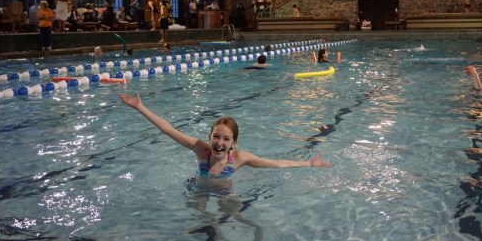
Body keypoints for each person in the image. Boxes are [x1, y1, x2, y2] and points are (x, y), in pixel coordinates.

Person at [117, 92, 331, 178]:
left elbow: (275, 163)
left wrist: (307, 164)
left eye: (226, 139)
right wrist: (140, 108)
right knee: (201, 215)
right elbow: (169, 129)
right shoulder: (200, 148)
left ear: (233, 143)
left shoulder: (239, 158)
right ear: (209, 137)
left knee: (234, 215)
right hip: (198, 186)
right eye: (216, 137)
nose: (219, 142)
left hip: (224, 191)